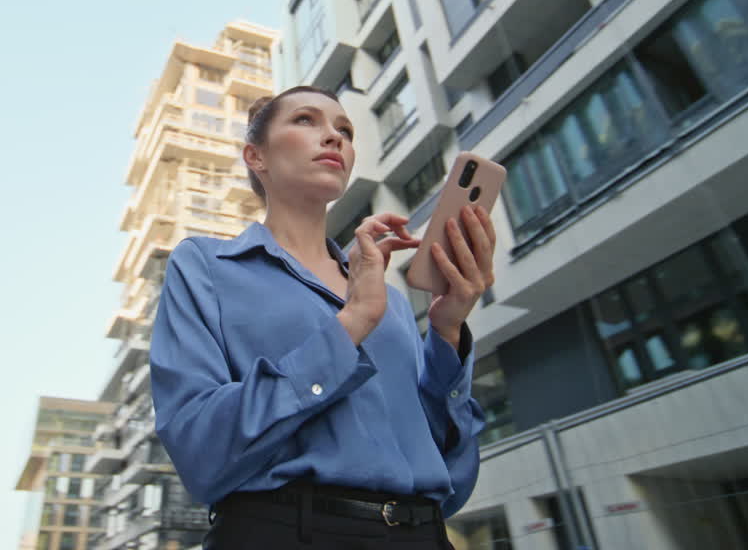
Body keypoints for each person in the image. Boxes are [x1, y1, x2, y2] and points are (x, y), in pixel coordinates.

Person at [150, 86, 496, 549]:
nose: (333, 136)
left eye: (345, 130)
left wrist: (448, 330)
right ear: (256, 156)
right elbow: (199, 448)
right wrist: (350, 323)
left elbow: (450, 466)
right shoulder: (206, 266)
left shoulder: (389, 301)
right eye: (306, 121)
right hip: (284, 533)